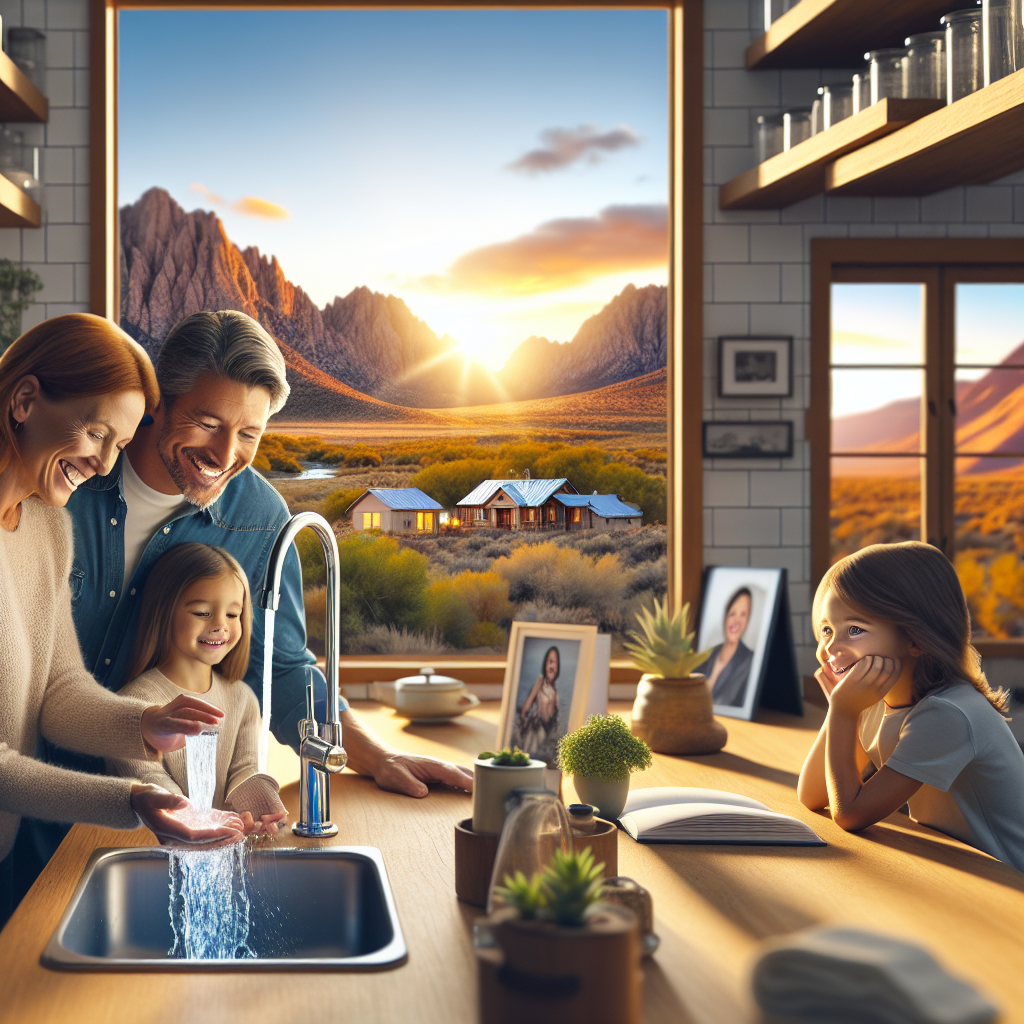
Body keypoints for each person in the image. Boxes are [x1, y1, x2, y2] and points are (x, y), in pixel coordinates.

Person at [29, 310, 471, 872]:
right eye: (208, 422)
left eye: (249, 434)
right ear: (157, 402)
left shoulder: (262, 518)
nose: (224, 453)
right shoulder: (69, 477)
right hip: (33, 803)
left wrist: (372, 755)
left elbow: (282, 668)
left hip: (160, 827)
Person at [0, 315, 244, 927]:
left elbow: (58, 689)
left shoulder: (44, 525)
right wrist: (132, 797)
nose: (106, 464)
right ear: (25, 400)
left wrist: (147, 725)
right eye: (95, 432)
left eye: (120, 441)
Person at [797, 542, 1024, 871]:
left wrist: (843, 712)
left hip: (1009, 881)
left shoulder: (948, 713)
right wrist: (841, 710)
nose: (830, 648)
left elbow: (850, 814)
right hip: (960, 866)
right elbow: (813, 794)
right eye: (827, 630)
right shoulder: (875, 702)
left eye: (855, 630)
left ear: (915, 638)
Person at [108, 544, 287, 835]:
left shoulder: (242, 699)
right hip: (152, 847)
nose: (220, 625)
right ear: (164, 612)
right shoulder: (134, 704)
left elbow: (244, 769)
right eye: (203, 613)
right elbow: (148, 778)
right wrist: (190, 819)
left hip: (221, 843)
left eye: (232, 614)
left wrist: (261, 804)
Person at [695, 587, 754, 707]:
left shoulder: (750, 661)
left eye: (743, 614)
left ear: (748, 620)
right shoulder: (709, 654)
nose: (736, 621)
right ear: (725, 617)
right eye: (732, 613)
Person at [511, 645, 561, 763]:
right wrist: (535, 691)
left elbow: (551, 720)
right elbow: (525, 711)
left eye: (555, 663)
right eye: (550, 662)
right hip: (534, 733)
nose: (552, 666)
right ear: (545, 665)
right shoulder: (540, 684)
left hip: (545, 735)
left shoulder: (555, 693)